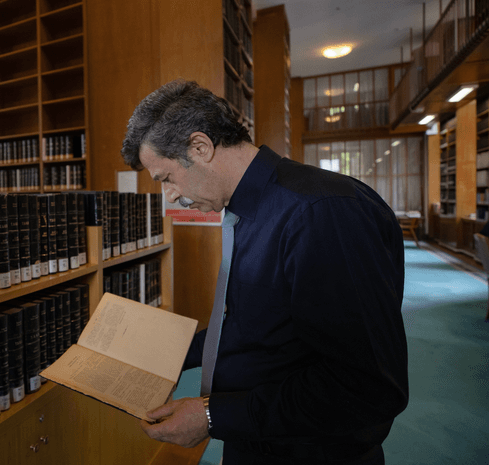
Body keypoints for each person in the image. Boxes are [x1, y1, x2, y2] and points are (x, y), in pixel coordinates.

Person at [120, 79, 408, 464]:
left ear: (200, 147)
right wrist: (171, 353)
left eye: (166, 178)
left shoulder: (320, 213)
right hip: (256, 437)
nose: (169, 195)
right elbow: (258, 326)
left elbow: (367, 387)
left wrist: (213, 416)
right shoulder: (248, 209)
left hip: (309, 453)